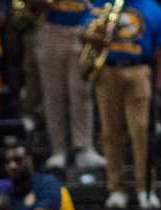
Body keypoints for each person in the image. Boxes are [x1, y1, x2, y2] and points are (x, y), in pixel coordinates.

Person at [94, 0, 161, 210]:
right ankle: (116, 190)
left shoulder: (153, 9)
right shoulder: (103, 4)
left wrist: (158, 88)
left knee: (141, 132)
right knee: (110, 133)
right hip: (108, 71)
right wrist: (90, 35)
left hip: (139, 71)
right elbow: (85, 31)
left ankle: (145, 189)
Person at [32, 0, 101, 174]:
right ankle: (58, 149)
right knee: (53, 93)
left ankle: (84, 147)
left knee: (82, 92)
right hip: (51, 30)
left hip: (84, 31)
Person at [0, 142, 77, 210]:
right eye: (7, 162)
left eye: (18, 160)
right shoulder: (8, 189)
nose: (12, 166)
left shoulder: (47, 183)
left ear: (30, 160)